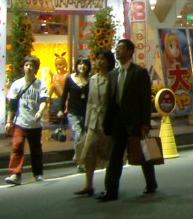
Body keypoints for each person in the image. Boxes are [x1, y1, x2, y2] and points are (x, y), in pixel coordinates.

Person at [97, 38, 157, 202]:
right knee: (115, 156)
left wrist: (145, 122)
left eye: (121, 48)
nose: (118, 51)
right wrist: (106, 123)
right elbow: (110, 100)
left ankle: (151, 183)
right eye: (117, 48)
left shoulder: (139, 72)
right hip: (117, 122)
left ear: (130, 52)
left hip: (135, 121)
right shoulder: (113, 74)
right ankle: (111, 190)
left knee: (142, 153)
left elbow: (145, 100)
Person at [75, 50, 115, 196]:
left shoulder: (113, 78)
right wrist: (87, 122)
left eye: (103, 59)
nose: (100, 61)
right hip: (93, 122)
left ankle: (109, 184)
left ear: (109, 61)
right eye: (98, 59)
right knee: (89, 151)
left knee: (109, 153)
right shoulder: (93, 79)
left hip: (108, 122)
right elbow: (90, 102)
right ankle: (88, 184)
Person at [4, 56, 49, 185]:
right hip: (20, 122)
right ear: (23, 67)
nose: (29, 68)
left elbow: (43, 100)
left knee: (36, 149)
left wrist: (40, 112)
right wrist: (9, 121)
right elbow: (12, 105)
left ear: (36, 68)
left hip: (35, 123)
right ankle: (15, 174)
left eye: (32, 65)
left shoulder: (40, 84)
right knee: (17, 146)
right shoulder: (17, 84)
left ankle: (38, 173)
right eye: (27, 65)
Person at [58, 56, 91, 146]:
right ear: (76, 66)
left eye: (85, 64)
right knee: (78, 133)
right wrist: (61, 109)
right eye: (80, 64)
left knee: (85, 135)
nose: (82, 66)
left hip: (86, 113)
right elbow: (64, 95)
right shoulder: (70, 78)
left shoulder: (91, 79)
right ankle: (78, 156)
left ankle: (81, 156)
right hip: (73, 112)